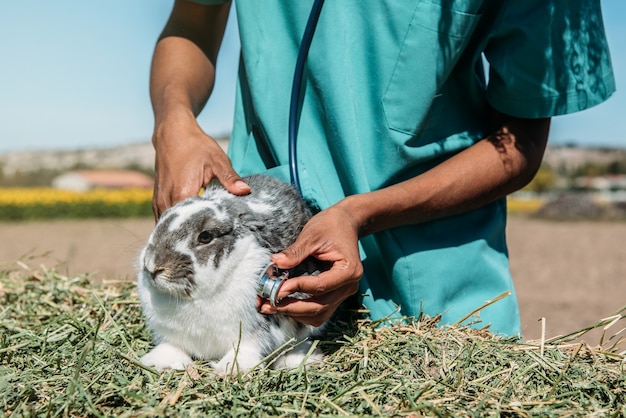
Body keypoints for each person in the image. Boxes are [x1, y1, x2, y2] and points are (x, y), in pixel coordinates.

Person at [149, 0, 614, 336]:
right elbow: (193, 19)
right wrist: (173, 118)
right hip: (263, 294)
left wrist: (360, 214)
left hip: (436, 305)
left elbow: (520, 144)